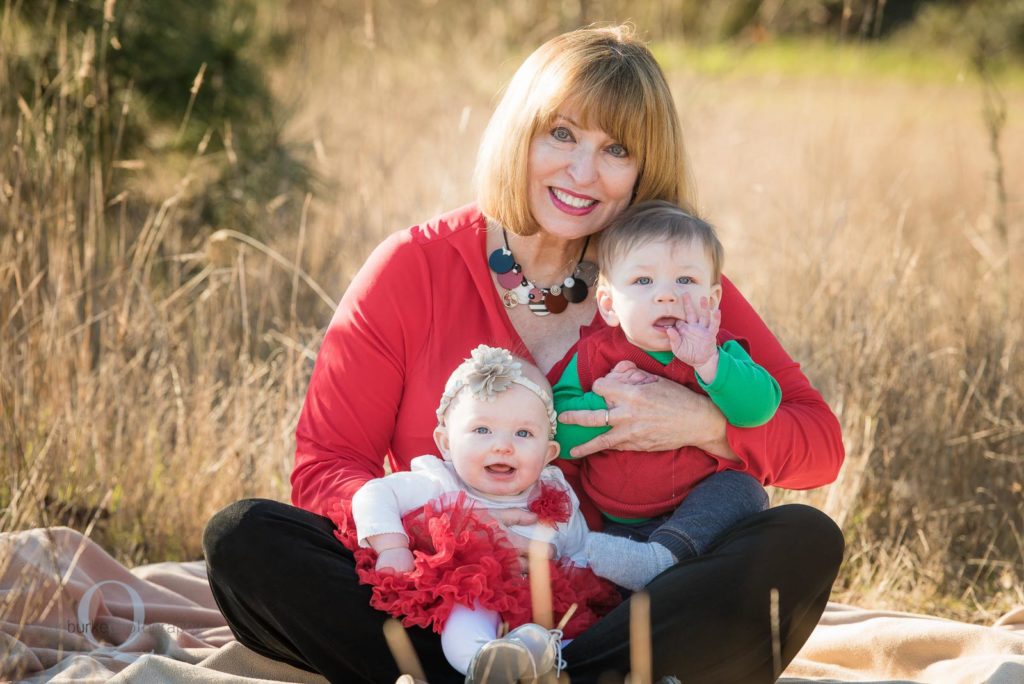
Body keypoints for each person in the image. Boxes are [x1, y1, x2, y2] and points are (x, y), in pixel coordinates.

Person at [203, 24, 845, 684]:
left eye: (616, 149)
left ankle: (569, 670)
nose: (582, 172)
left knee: (800, 540)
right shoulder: (413, 267)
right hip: (448, 596)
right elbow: (327, 465)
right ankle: (486, 671)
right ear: (521, 135)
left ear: (644, 169)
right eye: (562, 134)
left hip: (619, 601)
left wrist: (703, 424)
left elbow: (819, 444)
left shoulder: (665, 284)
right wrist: (463, 527)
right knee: (245, 539)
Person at [336, 345, 619, 682]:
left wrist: (571, 569)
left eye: (524, 433)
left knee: (578, 638)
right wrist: (391, 546)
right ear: (445, 443)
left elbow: (579, 548)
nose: (503, 445)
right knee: (465, 622)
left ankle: (542, 660)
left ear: (548, 454)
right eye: (482, 430)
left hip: (544, 605)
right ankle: (485, 665)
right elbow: (375, 492)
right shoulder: (439, 481)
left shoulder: (555, 496)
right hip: (473, 594)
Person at [557, 200, 781, 591]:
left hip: (701, 513)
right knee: (614, 588)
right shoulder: (596, 355)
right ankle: (654, 580)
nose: (666, 295)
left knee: (745, 490)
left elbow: (759, 409)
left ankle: (664, 560)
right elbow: (556, 429)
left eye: (685, 281)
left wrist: (711, 363)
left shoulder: (718, 350)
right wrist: (613, 404)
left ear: (711, 301)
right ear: (609, 304)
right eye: (643, 282)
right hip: (621, 523)